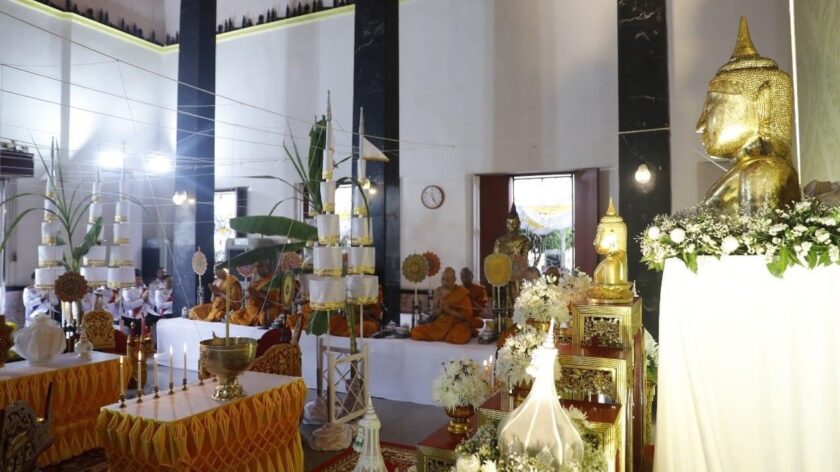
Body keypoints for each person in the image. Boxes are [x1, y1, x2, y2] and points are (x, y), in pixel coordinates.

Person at [410, 267, 479, 344]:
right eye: (443, 279)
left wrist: (449, 311)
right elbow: (433, 312)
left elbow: (467, 316)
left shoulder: (462, 292)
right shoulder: (438, 291)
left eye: (448, 280)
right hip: (440, 325)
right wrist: (439, 311)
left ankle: (448, 336)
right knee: (416, 331)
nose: (444, 282)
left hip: (456, 324)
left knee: (459, 336)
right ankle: (444, 336)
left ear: (454, 279)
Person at [229, 260, 283, 326]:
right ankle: (252, 321)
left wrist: (259, 295)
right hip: (252, 310)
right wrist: (251, 293)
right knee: (234, 316)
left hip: (266, 309)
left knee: (263, 319)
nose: (258, 269)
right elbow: (251, 295)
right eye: (256, 267)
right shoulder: (257, 280)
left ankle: (254, 321)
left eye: (260, 266)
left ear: (267, 267)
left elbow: (275, 300)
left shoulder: (273, 281)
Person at [121, 269, 148, 336]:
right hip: (132, 317)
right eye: (137, 279)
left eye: (140, 279)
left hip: (144, 316)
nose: (139, 281)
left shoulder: (144, 288)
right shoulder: (127, 290)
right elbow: (128, 306)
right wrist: (142, 300)